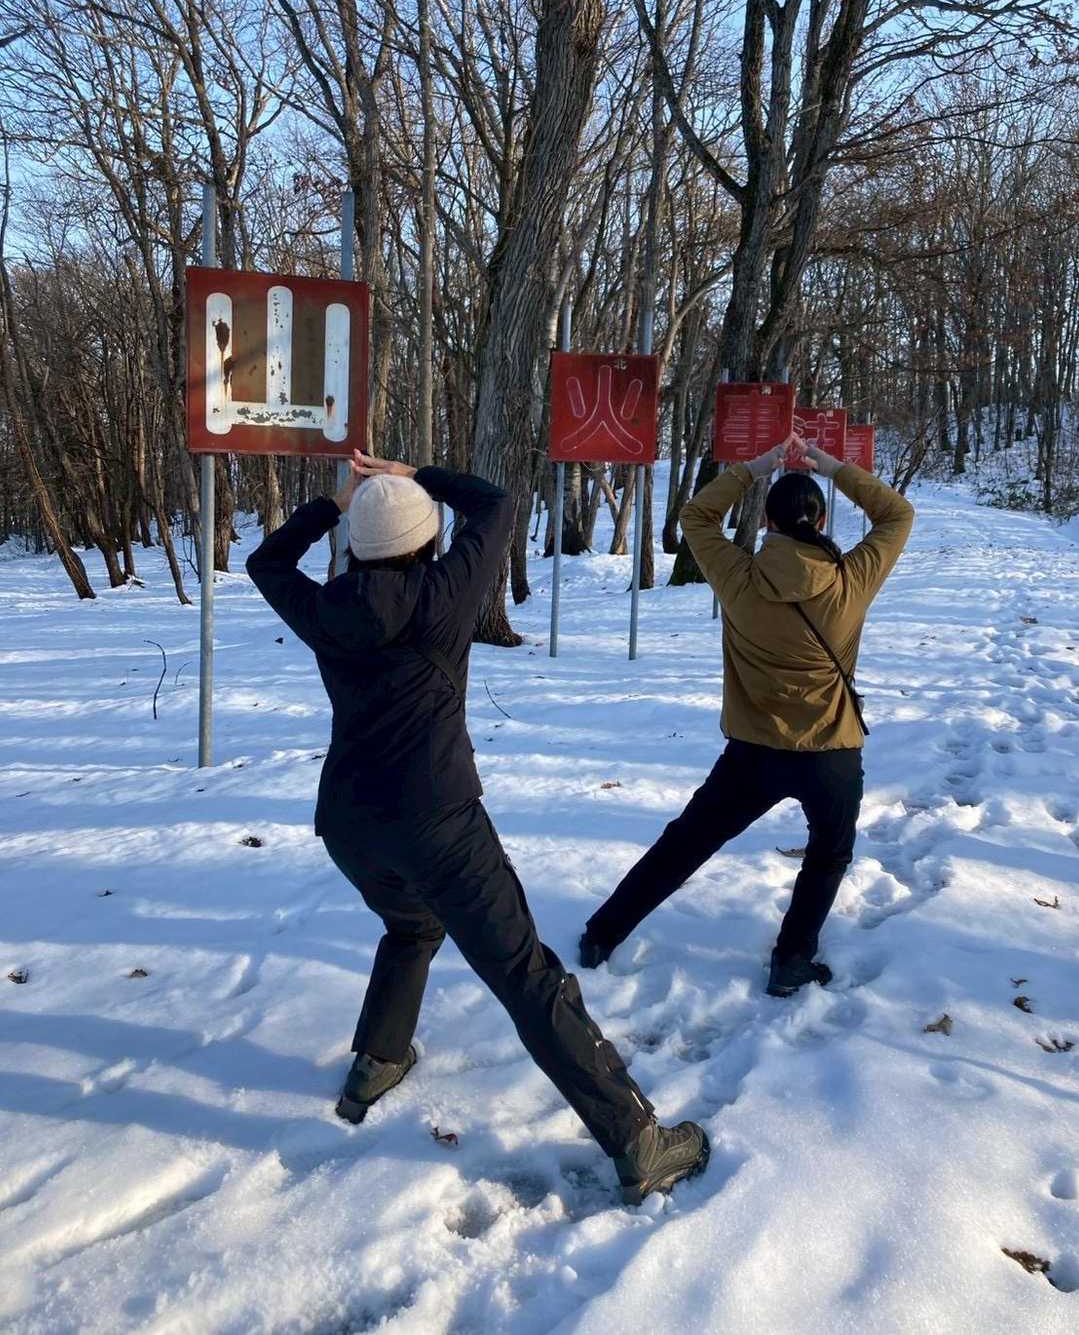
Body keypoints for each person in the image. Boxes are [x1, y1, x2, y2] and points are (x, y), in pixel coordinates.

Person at [246, 452, 708, 1204]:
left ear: (357, 547)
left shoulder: (327, 607)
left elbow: (265, 561)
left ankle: (377, 1061)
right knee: (525, 975)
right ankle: (637, 1139)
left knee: (411, 924)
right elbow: (493, 504)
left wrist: (336, 503)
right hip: (438, 821)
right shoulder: (443, 593)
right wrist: (418, 474)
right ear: (426, 541)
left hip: (350, 824)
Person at [579, 432, 914, 997]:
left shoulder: (738, 577)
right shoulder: (849, 581)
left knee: (686, 843)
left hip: (752, 753)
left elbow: (696, 515)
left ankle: (602, 934)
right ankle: (791, 961)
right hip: (831, 751)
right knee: (829, 855)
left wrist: (757, 466)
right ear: (822, 519)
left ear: (767, 523)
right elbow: (897, 514)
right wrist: (830, 464)